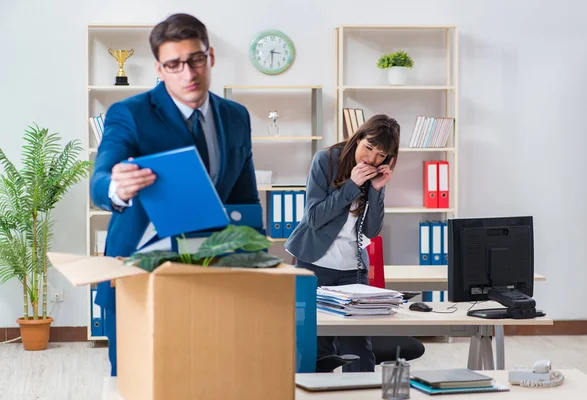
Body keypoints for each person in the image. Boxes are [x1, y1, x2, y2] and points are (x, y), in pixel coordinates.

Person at [90, 13, 260, 376]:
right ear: (159, 68)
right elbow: (100, 180)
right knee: (137, 382)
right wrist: (115, 187)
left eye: (196, 59)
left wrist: (259, 263)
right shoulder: (129, 113)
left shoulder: (236, 116)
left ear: (210, 55)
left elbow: (245, 200)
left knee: (205, 381)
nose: (188, 73)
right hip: (139, 275)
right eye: (174, 64)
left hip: (212, 276)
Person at [285, 114, 400, 372]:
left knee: (359, 348)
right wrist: (352, 185)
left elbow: (371, 230)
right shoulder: (326, 160)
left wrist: (378, 190)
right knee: (317, 346)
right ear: (358, 137)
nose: (370, 158)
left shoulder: (375, 174)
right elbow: (314, 217)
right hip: (314, 264)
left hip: (353, 269)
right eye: (368, 147)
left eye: (380, 154)